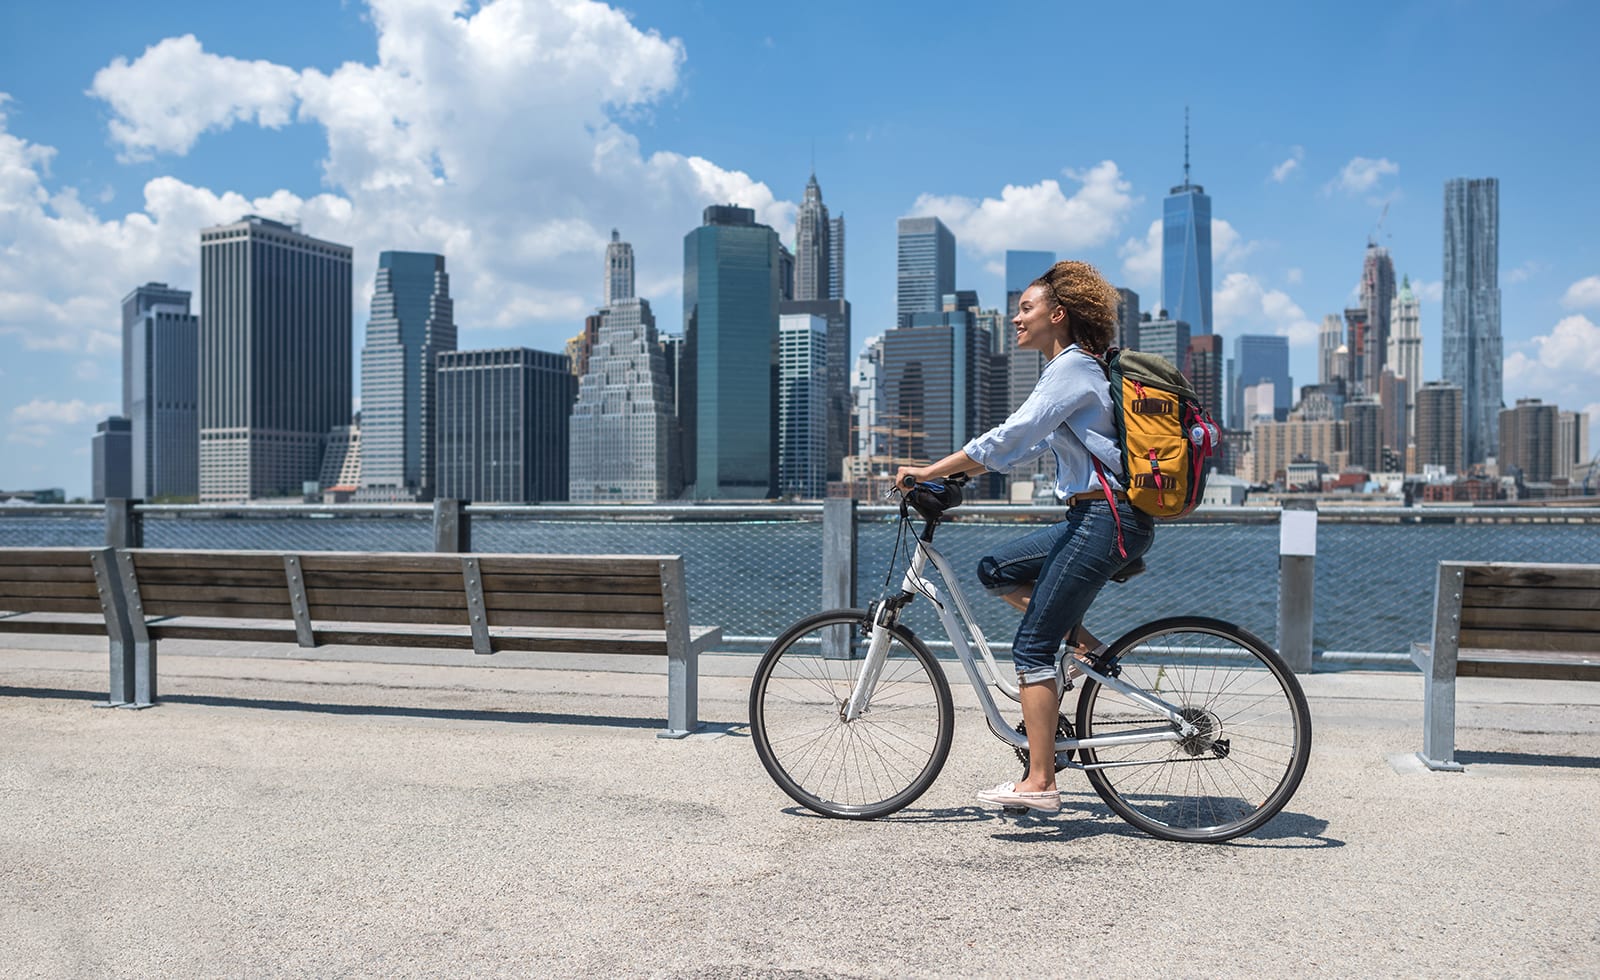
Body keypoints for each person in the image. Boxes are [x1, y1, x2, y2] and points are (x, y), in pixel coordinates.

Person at [894, 260, 1155, 814]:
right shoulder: (1069, 369)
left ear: (1057, 316)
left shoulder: (1071, 368)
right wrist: (962, 472)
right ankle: (1083, 644)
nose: (1015, 318)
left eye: (1026, 309)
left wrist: (930, 471)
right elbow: (1030, 445)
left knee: (1032, 647)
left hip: (1106, 519)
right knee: (997, 569)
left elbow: (1011, 434)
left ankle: (1041, 783)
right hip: (1094, 517)